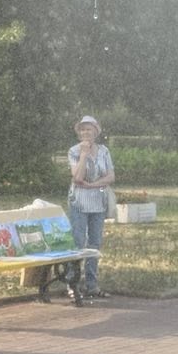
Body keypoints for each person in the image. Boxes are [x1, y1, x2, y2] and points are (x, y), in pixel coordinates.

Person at [66, 115, 114, 300]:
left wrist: (93, 185)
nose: (86, 132)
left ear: (96, 131)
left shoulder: (104, 151)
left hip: (98, 202)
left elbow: (110, 176)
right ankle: (72, 284)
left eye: (89, 129)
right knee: (78, 242)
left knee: (94, 244)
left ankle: (92, 285)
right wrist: (84, 154)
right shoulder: (74, 151)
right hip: (79, 201)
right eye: (83, 129)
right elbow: (77, 178)